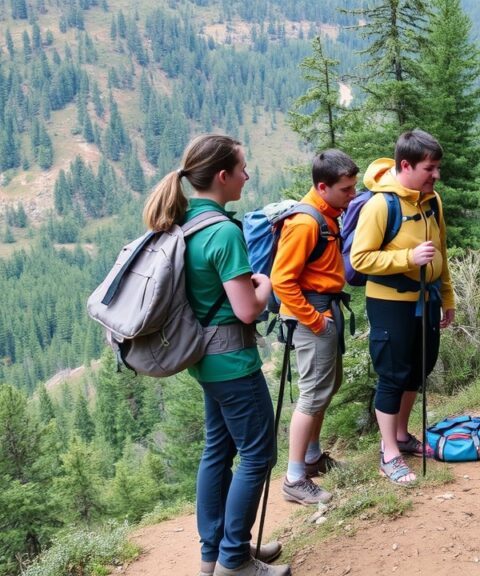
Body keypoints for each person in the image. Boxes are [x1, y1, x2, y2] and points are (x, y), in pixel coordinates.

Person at [142, 134, 290, 576]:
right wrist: (265, 285)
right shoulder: (224, 231)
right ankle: (234, 560)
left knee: (218, 450)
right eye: (242, 168)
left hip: (203, 360)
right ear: (223, 177)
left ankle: (216, 553)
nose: (247, 175)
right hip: (233, 363)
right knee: (259, 455)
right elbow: (246, 308)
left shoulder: (185, 224)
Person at [350, 129, 456, 487]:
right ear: (406, 165)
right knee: (393, 375)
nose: (436, 175)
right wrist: (407, 258)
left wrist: (448, 298)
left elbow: (440, 250)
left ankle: (402, 435)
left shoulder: (432, 201)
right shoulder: (380, 205)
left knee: (418, 370)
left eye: (437, 167)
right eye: (430, 168)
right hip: (389, 303)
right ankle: (388, 453)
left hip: (427, 301)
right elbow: (361, 259)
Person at [271, 150, 359, 505]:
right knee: (311, 394)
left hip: (324, 312)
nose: (352, 196)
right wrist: (315, 320)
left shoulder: (328, 213)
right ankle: (294, 478)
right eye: (345, 189)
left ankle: (311, 458)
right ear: (322, 187)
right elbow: (281, 280)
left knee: (328, 385)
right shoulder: (306, 223)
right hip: (312, 316)